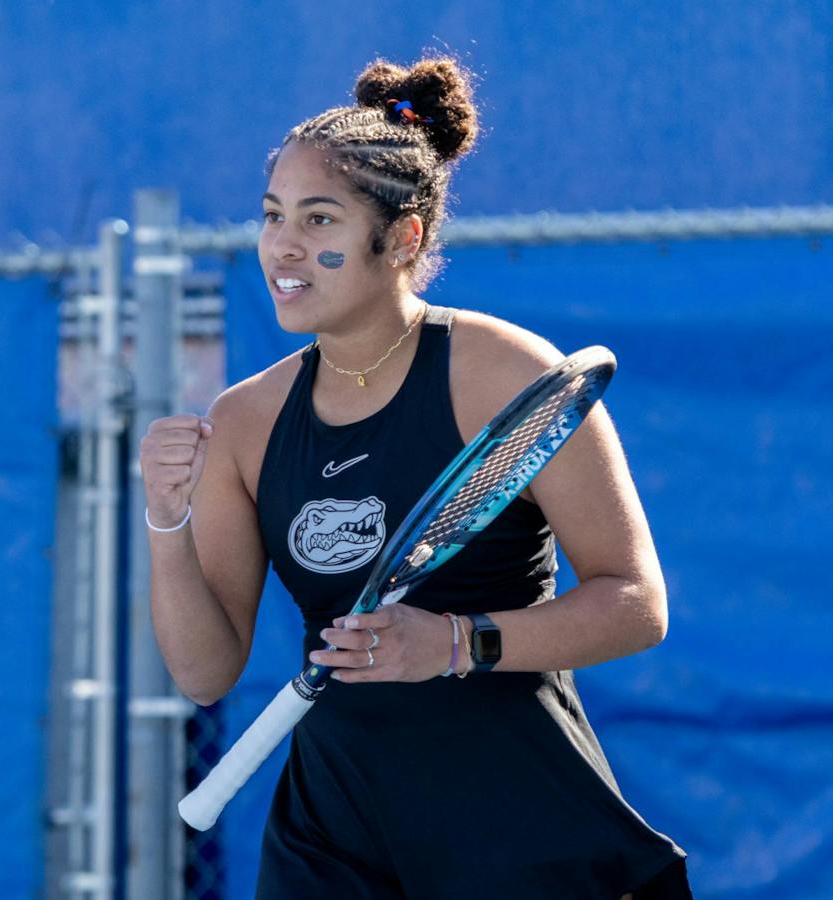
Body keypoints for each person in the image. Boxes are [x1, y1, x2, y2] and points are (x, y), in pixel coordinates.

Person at [141, 55, 691, 899]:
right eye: (272, 215)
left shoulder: (502, 371)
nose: (284, 247)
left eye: (320, 220)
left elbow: (636, 604)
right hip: (332, 834)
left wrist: (457, 643)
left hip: (517, 816)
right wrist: (166, 525)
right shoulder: (248, 421)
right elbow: (206, 672)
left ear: (404, 238)